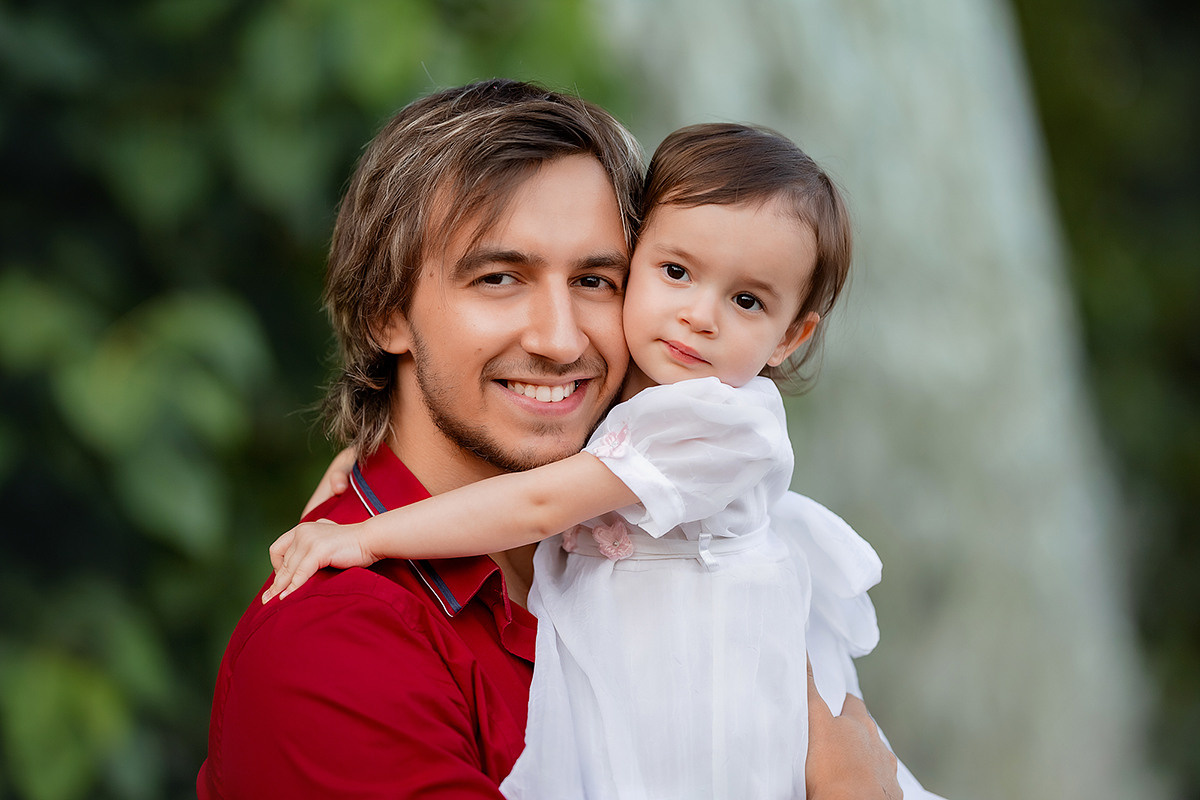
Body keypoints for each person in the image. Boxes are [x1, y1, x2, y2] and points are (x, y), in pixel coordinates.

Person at [198, 79, 911, 799]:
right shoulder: (336, 651)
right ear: (387, 312)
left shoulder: (614, 525)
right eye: (500, 277)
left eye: (597, 280)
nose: (561, 339)